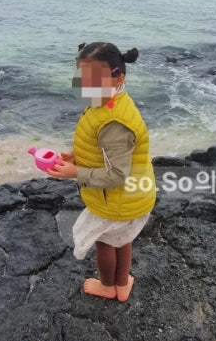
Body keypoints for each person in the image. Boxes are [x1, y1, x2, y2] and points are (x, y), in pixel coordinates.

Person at [48, 42, 156, 302]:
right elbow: (103, 149)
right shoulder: (109, 102)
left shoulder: (115, 121)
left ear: (119, 77)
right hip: (133, 195)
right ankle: (122, 284)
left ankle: (108, 286)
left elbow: (117, 174)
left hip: (118, 198)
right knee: (122, 239)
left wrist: (76, 172)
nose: (85, 85)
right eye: (81, 78)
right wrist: (77, 157)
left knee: (106, 242)